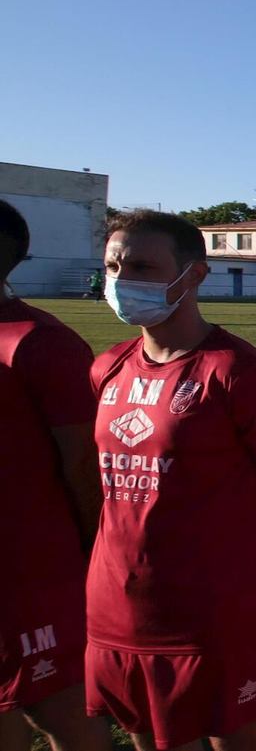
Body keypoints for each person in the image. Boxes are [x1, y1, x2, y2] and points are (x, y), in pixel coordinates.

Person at [86, 209, 256, 751]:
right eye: (113, 265)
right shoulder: (106, 367)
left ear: (194, 274)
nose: (123, 279)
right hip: (119, 610)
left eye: (143, 266)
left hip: (215, 617)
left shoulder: (237, 372)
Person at [0, 200, 111, 751]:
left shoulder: (39, 343)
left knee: (59, 712)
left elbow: (83, 465)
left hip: (33, 577)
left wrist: (96, 551)